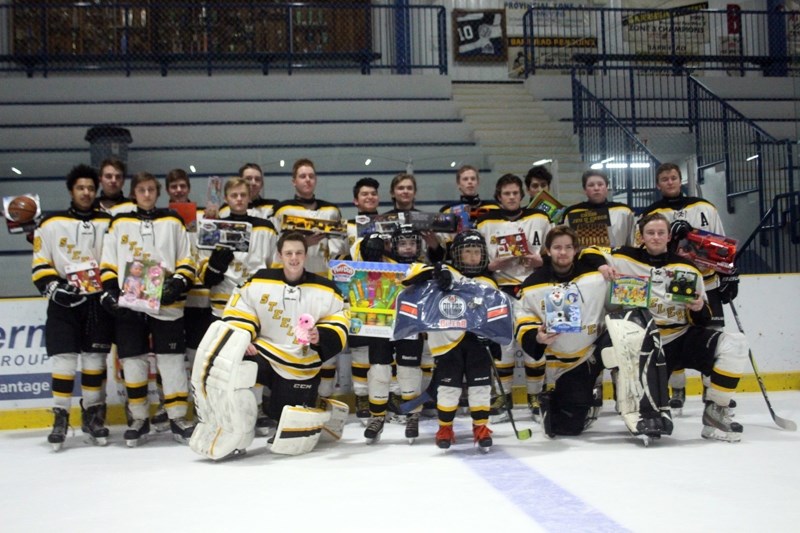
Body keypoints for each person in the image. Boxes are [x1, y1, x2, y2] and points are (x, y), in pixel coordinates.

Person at [514, 225, 672, 441]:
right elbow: (523, 320)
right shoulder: (533, 284)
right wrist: (538, 337)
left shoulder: (594, 274)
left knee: (634, 334)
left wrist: (604, 268)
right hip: (573, 360)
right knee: (566, 427)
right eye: (557, 247)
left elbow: (608, 258)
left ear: (576, 249)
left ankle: (646, 411)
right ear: (548, 250)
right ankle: (568, 400)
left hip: (602, 342)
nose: (563, 252)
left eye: (568, 247)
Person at [600, 213, 748, 442]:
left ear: (669, 236)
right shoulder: (624, 257)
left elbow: (704, 318)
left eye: (661, 233)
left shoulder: (687, 268)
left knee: (736, 343)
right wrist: (601, 266)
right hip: (644, 343)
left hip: (680, 338)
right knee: (645, 414)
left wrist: (699, 306)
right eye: (650, 233)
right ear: (641, 235)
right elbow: (587, 254)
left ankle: (715, 411)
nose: (656, 237)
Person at [99, 172, 197, 446]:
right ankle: (139, 418)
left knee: (172, 360)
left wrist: (177, 284)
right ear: (134, 193)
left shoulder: (172, 220)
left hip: (168, 304)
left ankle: (177, 417)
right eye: (141, 189)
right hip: (131, 302)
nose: (146, 194)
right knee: (133, 359)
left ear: (158, 192)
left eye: (151, 189)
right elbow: (108, 263)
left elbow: (186, 260)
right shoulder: (119, 222)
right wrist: (110, 291)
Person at [635, 163, 739, 411]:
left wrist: (730, 274)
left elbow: (722, 245)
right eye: (664, 179)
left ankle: (709, 391)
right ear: (658, 184)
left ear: (680, 180)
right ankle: (677, 389)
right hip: (671, 286)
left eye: (673, 178)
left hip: (708, 283)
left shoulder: (704, 207)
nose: (669, 182)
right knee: (675, 333)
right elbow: (645, 252)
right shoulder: (651, 213)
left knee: (710, 334)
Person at [222, 231, 349, 427]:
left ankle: (279, 409)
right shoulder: (260, 280)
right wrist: (244, 337)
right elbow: (240, 306)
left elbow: (339, 316)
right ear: (280, 255)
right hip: (266, 350)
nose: (294, 258)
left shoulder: (326, 288)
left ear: (305, 255)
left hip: (301, 360)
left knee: (286, 417)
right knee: (242, 360)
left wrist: (321, 336)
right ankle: (248, 416)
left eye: (299, 253)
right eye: (288, 253)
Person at [32, 164, 114, 450]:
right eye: (81, 187)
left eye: (91, 188)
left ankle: (92, 416)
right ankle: (60, 416)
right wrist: (56, 288)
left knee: (94, 362)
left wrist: (110, 289)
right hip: (64, 303)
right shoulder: (50, 223)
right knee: (64, 361)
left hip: (96, 303)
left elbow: (116, 260)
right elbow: (41, 263)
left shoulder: (108, 223)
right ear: (71, 190)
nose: (86, 192)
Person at [402, 231, 499, 451]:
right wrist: (436, 273)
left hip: (478, 343)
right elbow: (410, 276)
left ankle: (481, 427)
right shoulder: (445, 271)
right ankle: (445, 428)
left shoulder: (489, 282)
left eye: (477, 252)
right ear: (456, 254)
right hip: (448, 343)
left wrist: (495, 340)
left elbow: (497, 314)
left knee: (481, 386)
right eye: (467, 252)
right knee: (448, 388)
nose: (473, 257)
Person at [199, 177, 278, 434]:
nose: (239, 199)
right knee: (225, 363)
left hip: (254, 307)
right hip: (222, 306)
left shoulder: (265, 228)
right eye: (234, 195)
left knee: (254, 362)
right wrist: (214, 266)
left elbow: (274, 266)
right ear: (226, 198)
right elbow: (205, 275)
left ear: (250, 196)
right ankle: (227, 412)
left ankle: (253, 411)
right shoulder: (213, 226)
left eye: (243, 195)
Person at [476, 173, 551, 421]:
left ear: (522, 195)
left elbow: (555, 252)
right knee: (504, 346)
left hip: (533, 289)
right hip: (502, 290)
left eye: (515, 193)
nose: (511, 197)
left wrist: (542, 260)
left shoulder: (539, 218)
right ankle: (503, 395)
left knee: (534, 344)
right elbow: (477, 262)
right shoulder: (485, 223)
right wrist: (492, 265)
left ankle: (535, 397)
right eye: (506, 193)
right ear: (499, 197)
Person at [271, 158, 346, 400]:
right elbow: (276, 248)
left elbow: (340, 247)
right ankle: (298, 398)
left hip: (323, 285)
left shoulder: (331, 211)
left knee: (324, 340)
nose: (307, 180)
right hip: (295, 286)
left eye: (311, 176)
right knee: (296, 342)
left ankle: (324, 398)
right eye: (302, 176)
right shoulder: (282, 210)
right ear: (294, 180)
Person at [356, 224, 428, 443]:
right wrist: (368, 247)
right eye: (402, 243)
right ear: (393, 246)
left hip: (410, 326)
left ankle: (413, 415)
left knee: (409, 371)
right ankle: (376, 417)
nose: (407, 248)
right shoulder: (383, 264)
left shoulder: (423, 268)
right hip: (380, 325)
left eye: (412, 243)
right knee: (379, 370)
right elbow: (357, 264)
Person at [563, 169, 635, 248]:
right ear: (585, 190)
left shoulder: (624, 211)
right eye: (591, 185)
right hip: (583, 259)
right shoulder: (572, 213)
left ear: (606, 188)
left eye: (600, 184)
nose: (596, 188)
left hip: (617, 259)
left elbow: (632, 243)